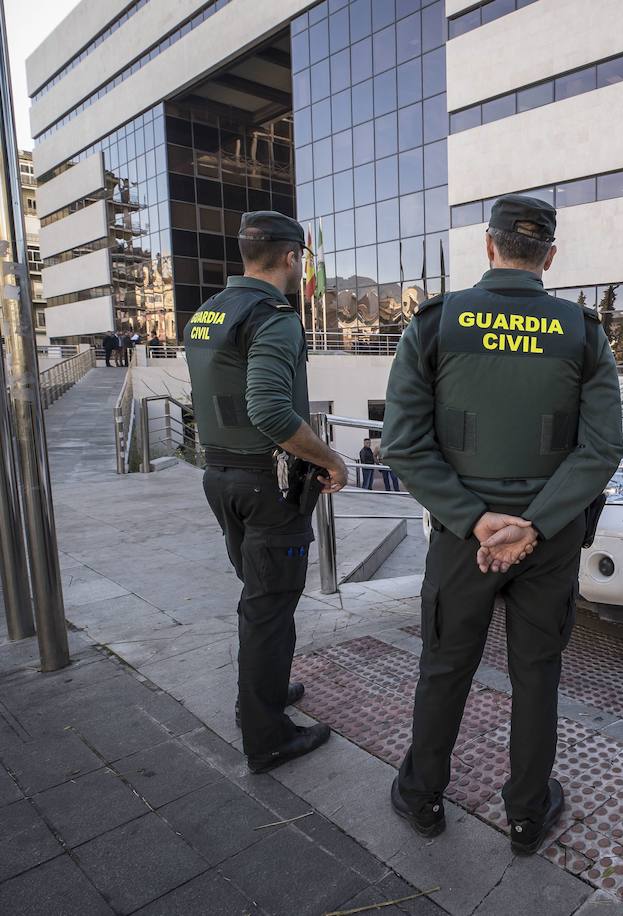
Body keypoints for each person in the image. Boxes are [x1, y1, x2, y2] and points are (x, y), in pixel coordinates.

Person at [384, 195, 622, 852]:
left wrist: (474, 518)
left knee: (445, 667)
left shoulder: (436, 324)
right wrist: (535, 526)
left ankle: (423, 796)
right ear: (549, 256)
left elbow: (403, 442)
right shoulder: (583, 332)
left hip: (465, 542)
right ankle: (525, 815)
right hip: (549, 543)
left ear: (488, 247)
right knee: (536, 673)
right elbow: (600, 450)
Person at [184, 211, 349, 774]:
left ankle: (263, 697)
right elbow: (270, 409)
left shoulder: (208, 313)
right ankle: (268, 736)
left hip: (221, 477)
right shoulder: (273, 316)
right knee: (270, 608)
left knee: (260, 600)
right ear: (291, 257)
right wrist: (330, 459)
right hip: (267, 484)